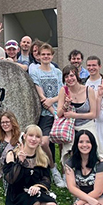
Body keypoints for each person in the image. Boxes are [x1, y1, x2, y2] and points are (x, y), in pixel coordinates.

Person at [4, 125, 60, 205]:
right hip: (17, 194)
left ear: (40, 140)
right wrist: (19, 162)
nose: (33, 139)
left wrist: (38, 186)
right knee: (35, 202)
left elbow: (47, 180)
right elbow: (10, 179)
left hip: (35, 192)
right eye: (30, 135)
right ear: (24, 136)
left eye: (37, 137)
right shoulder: (12, 154)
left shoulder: (42, 158)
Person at [29, 43, 66, 187]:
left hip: (59, 110)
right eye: (43, 54)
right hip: (45, 114)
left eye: (48, 54)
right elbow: (41, 96)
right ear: (39, 56)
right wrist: (52, 111)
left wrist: (54, 102)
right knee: (44, 142)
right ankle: (53, 168)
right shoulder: (35, 72)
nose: (45, 57)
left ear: (52, 56)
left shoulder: (57, 72)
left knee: (62, 144)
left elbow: (62, 92)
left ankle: (65, 172)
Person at [57, 65, 102, 160]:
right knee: (69, 152)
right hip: (70, 127)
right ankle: (68, 172)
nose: (70, 79)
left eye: (72, 75)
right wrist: (66, 105)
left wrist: (75, 115)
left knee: (95, 148)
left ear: (77, 76)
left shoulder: (88, 90)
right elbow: (59, 114)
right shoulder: (63, 90)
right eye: (66, 77)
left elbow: (93, 114)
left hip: (87, 124)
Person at [0, 111, 22, 182]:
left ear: (12, 122)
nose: (5, 124)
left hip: (18, 169)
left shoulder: (20, 136)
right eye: (2, 122)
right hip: (5, 170)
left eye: (7, 122)